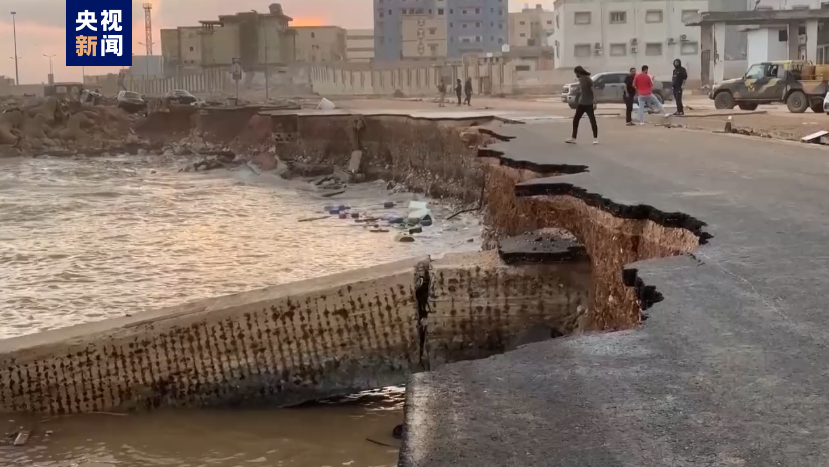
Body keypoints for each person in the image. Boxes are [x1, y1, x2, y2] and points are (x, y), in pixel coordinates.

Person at [565, 66, 598, 145]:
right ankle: (574, 138)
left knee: (591, 120)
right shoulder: (582, 79)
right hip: (582, 103)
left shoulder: (587, 80)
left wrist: (594, 101)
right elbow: (582, 90)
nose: (576, 75)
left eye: (576, 73)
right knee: (578, 120)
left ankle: (594, 138)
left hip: (587, 103)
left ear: (578, 73)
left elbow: (593, 90)